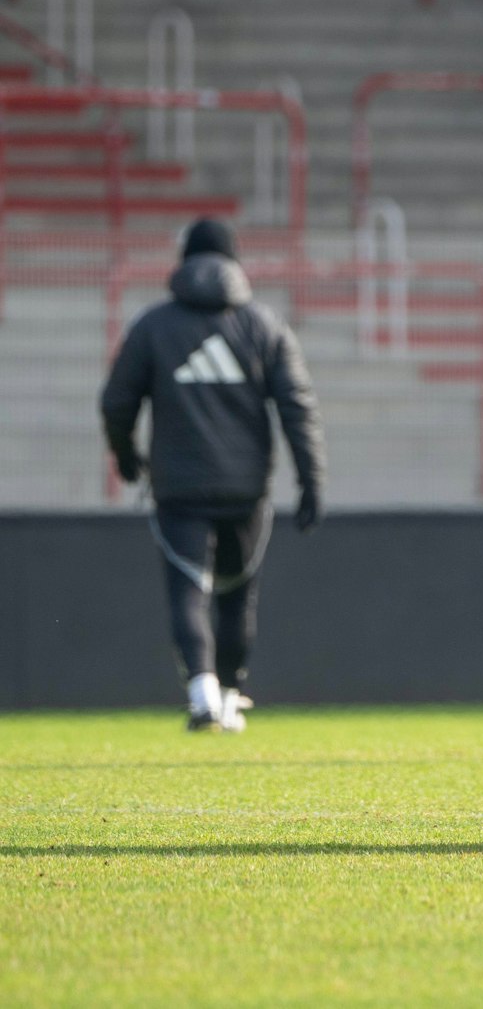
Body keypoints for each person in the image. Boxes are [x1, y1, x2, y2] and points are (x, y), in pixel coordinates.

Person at [99, 219, 325, 732]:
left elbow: (116, 400)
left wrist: (126, 456)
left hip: (178, 487)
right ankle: (228, 696)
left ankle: (201, 692)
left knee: (187, 589)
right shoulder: (264, 325)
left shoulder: (153, 326)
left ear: (184, 262)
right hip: (247, 489)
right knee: (237, 593)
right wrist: (311, 479)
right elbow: (297, 406)